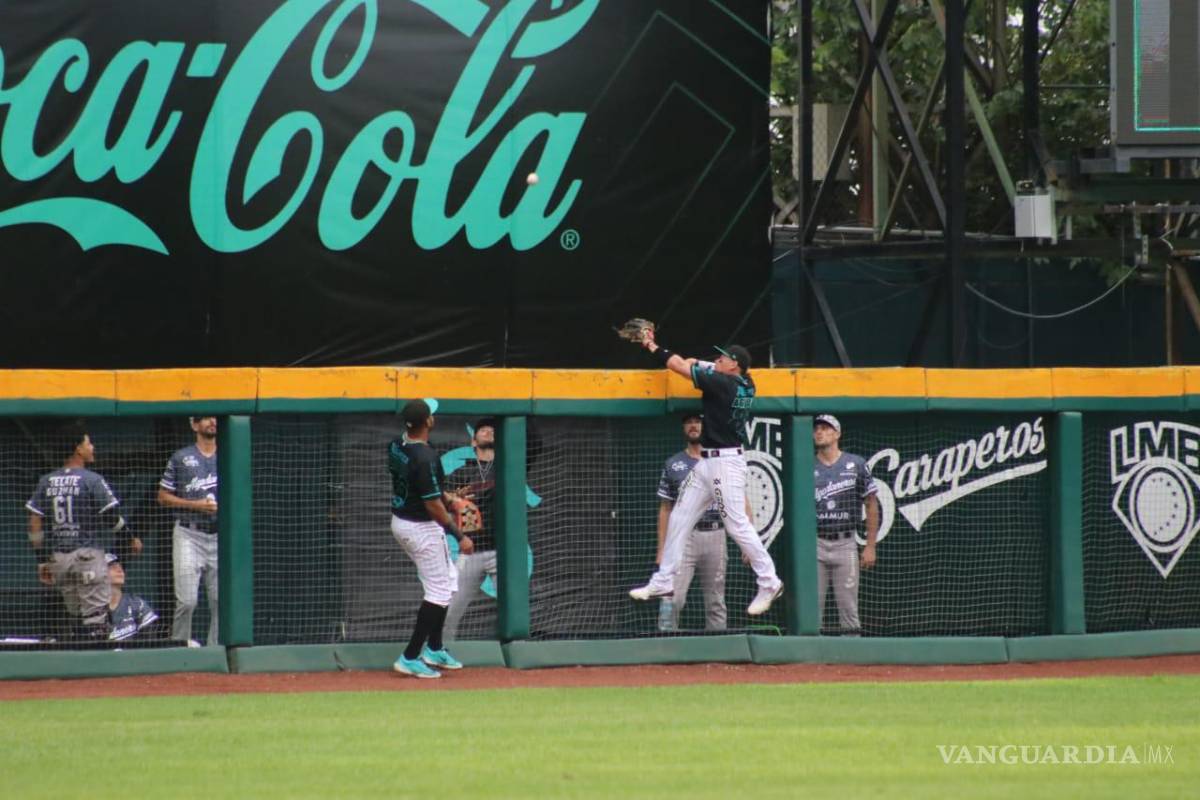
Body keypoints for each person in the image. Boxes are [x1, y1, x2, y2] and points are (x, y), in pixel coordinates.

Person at [628, 335, 783, 617]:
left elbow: (677, 365)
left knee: (736, 525)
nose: (717, 360)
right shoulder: (745, 381)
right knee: (680, 515)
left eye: (722, 358)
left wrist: (651, 345)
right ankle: (664, 580)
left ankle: (769, 581)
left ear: (734, 365)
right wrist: (699, 363)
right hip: (708, 463)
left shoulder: (723, 383)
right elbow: (697, 365)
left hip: (725, 464)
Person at [26, 421, 141, 640]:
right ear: (78, 448)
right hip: (87, 557)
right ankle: (98, 669)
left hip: (60, 560)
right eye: (88, 443)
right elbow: (111, 516)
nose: (92, 447)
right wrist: (130, 538)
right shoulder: (92, 480)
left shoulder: (46, 481)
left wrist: (41, 559)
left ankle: (79, 669)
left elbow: (34, 521)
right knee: (97, 621)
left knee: (75, 618)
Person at [389, 398, 475, 678]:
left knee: (447, 581)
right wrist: (459, 534)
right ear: (428, 422)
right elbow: (432, 506)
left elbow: (426, 491)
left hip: (403, 520)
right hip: (421, 527)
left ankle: (435, 647)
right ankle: (411, 656)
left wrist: (450, 497)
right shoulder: (426, 457)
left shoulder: (397, 444)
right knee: (439, 591)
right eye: (430, 415)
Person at [655, 412, 732, 632]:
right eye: (688, 422)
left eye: (698, 421)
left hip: (715, 533)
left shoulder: (721, 461)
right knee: (672, 597)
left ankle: (719, 652)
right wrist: (661, 549)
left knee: (716, 599)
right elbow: (665, 508)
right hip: (683, 536)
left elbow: (740, 501)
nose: (693, 426)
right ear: (683, 428)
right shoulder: (674, 464)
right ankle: (666, 647)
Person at [812, 414, 879, 636]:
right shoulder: (806, 465)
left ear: (837, 433)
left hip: (845, 542)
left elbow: (871, 504)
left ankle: (853, 663)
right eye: (817, 429)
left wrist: (870, 546)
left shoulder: (856, 464)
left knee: (849, 610)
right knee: (812, 611)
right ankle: (811, 662)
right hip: (815, 543)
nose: (820, 432)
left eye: (826, 428)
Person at [157, 416, 219, 645]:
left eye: (214, 418)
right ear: (194, 425)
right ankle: (180, 650)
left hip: (220, 534)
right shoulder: (182, 457)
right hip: (188, 533)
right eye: (205, 419)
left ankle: (215, 651)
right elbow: (162, 497)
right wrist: (196, 505)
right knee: (187, 601)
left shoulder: (230, 453)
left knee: (220, 601)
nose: (212, 422)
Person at [443, 417, 498, 640]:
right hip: (470, 550)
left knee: (516, 606)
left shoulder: (508, 468)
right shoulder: (460, 474)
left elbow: (536, 444)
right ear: (472, 442)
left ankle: (520, 651)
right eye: (482, 430)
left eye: (492, 430)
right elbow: (436, 498)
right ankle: (440, 651)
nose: (487, 431)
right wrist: (454, 500)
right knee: (450, 610)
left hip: (502, 552)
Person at [105, 553, 161, 642]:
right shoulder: (94, 610)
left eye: (120, 566)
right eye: (112, 567)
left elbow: (150, 641)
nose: (119, 570)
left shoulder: (136, 604)